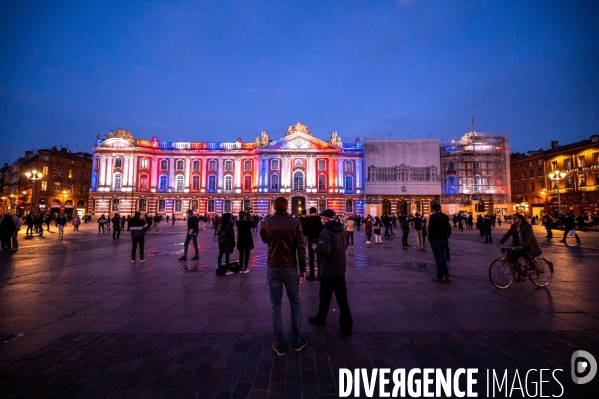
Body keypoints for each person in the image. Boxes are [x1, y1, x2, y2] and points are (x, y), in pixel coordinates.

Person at [260, 197, 308, 356]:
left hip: (273, 266)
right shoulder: (295, 223)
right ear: (287, 207)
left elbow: (265, 239)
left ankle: (280, 344)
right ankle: (297, 341)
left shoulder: (267, 222)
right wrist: (303, 269)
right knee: (295, 302)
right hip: (290, 267)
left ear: (274, 206)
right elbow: (301, 248)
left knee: (276, 305)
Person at [309, 209, 353, 336]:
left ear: (327, 219)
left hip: (328, 270)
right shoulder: (342, 230)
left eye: (323, 219)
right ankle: (347, 324)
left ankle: (320, 319)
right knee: (342, 299)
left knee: (324, 297)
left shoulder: (326, 232)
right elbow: (345, 246)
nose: (322, 220)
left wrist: (315, 247)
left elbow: (325, 250)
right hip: (340, 269)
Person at [498, 213, 542, 282]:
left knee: (527, 256)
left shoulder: (527, 226)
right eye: (513, 218)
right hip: (518, 245)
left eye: (515, 218)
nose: (514, 220)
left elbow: (528, 237)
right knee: (512, 259)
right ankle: (521, 273)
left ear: (520, 219)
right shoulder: (513, 226)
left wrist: (522, 245)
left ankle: (534, 266)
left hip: (528, 245)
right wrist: (501, 242)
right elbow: (507, 234)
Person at [428, 203, 452, 283]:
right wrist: (447, 236)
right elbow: (448, 228)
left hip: (436, 239)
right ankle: (447, 275)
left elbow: (431, 228)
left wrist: (430, 239)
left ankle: (440, 276)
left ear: (433, 209)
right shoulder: (446, 217)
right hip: (444, 240)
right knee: (443, 258)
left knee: (438, 258)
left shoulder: (433, 217)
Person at [303, 207, 324, 281]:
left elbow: (304, 231)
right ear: (316, 211)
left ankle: (311, 275)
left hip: (311, 240)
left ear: (310, 212)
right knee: (319, 257)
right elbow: (322, 229)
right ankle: (319, 274)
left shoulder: (307, 220)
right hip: (318, 240)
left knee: (311, 258)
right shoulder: (319, 219)